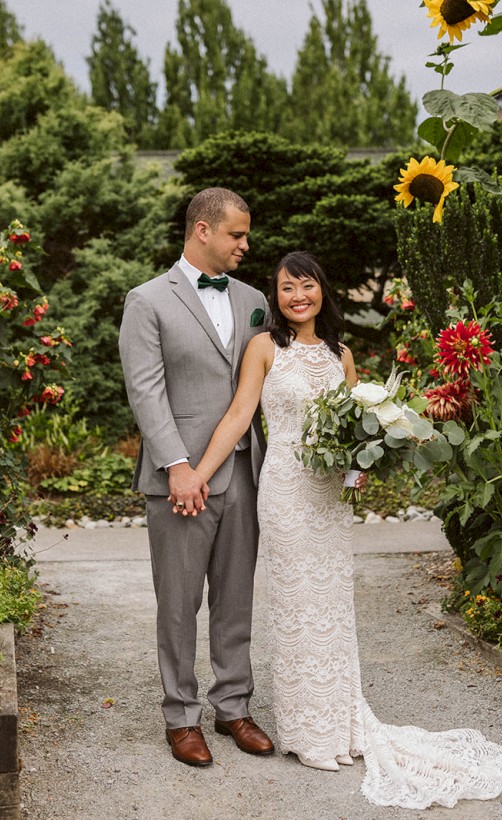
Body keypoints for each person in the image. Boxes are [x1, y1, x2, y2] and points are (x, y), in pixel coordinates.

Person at [191, 250, 502, 809]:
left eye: (305, 286)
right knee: (295, 603)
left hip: (329, 497)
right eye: (286, 289)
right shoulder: (263, 348)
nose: (297, 297)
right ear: (275, 297)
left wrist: (359, 470)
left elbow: (360, 431)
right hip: (285, 489)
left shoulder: (341, 354)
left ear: (321, 291)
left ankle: (340, 725)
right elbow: (240, 416)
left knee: (332, 604)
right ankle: (307, 733)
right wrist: (196, 474)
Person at [118, 187, 274, 768]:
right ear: (203, 230)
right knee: (178, 604)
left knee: (236, 599)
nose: (245, 245)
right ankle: (180, 717)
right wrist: (178, 466)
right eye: (236, 234)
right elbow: (145, 389)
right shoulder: (147, 301)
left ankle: (233, 706)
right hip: (179, 480)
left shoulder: (256, 299)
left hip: (245, 473)